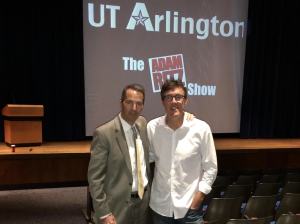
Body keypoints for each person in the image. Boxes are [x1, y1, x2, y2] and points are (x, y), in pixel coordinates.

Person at [147, 79, 218, 224]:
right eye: (169, 97)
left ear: (185, 101)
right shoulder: (152, 127)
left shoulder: (201, 128)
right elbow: (148, 157)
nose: (174, 101)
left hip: (189, 209)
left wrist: (200, 197)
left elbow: (210, 167)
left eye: (178, 97)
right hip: (160, 208)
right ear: (163, 101)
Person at [88, 84, 151, 224]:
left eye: (138, 103)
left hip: (143, 204)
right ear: (121, 103)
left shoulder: (143, 124)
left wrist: (187, 118)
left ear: (142, 106)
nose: (134, 108)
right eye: (129, 102)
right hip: (116, 209)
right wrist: (104, 213)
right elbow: (95, 179)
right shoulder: (104, 133)